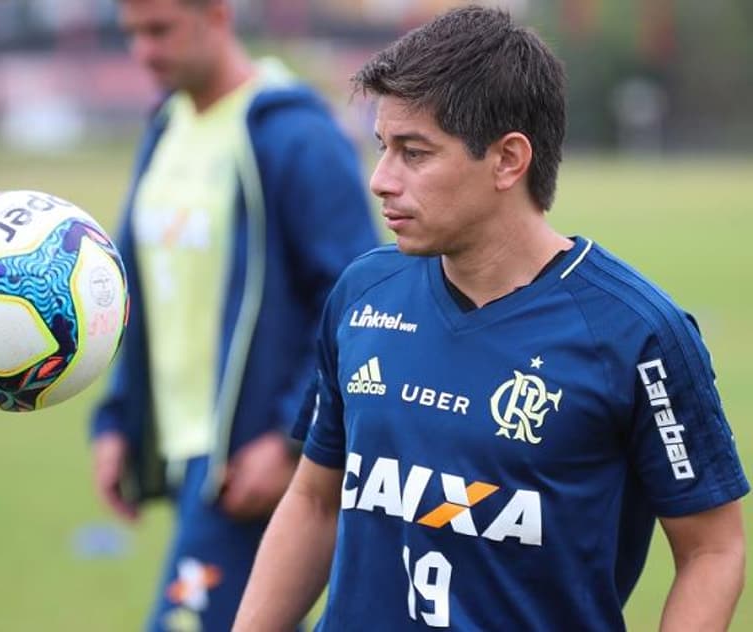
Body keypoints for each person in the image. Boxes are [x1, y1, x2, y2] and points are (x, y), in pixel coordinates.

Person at [235, 6, 748, 631]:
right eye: (381, 148)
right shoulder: (362, 293)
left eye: (413, 153)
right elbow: (315, 501)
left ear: (508, 159)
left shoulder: (637, 334)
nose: (380, 180)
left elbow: (712, 549)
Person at [88, 0, 378, 629]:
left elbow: (354, 300)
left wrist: (290, 437)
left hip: (251, 460)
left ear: (216, 15)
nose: (143, 51)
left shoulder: (294, 132)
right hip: (187, 451)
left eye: (160, 29)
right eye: (132, 34)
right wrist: (117, 418)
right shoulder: (166, 126)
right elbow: (137, 288)